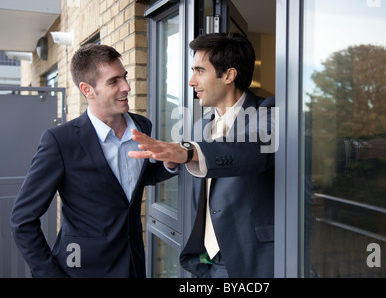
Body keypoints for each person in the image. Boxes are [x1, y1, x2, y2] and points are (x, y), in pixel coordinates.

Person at [10, 44, 177, 278]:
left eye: (125, 77)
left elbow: (132, 180)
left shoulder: (142, 126)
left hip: (133, 264)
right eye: (114, 81)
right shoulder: (60, 141)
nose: (126, 87)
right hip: (81, 269)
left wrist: (169, 163)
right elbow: (22, 220)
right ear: (87, 89)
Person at [129, 33, 275, 278]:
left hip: (254, 262)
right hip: (207, 264)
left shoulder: (268, 112)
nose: (191, 81)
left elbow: (252, 149)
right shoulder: (199, 127)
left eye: (199, 70)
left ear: (229, 75)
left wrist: (189, 152)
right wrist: (172, 161)